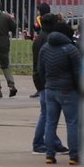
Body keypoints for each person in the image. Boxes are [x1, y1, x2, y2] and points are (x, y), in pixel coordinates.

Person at [38, 21, 81, 165]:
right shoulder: (71, 49)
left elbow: (40, 70)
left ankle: (49, 155)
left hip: (50, 89)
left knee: (50, 122)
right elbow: (78, 73)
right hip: (68, 90)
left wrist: (47, 83)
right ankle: (74, 156)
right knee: (72, 123)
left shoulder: (45, 48)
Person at [30, 14, 68, 155]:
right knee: (47, 114)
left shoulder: (40, 38)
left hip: (41, 78)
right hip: (45, 79)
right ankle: (39, 142)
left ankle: (53, 142)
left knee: (49, 114)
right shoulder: (48, 39)